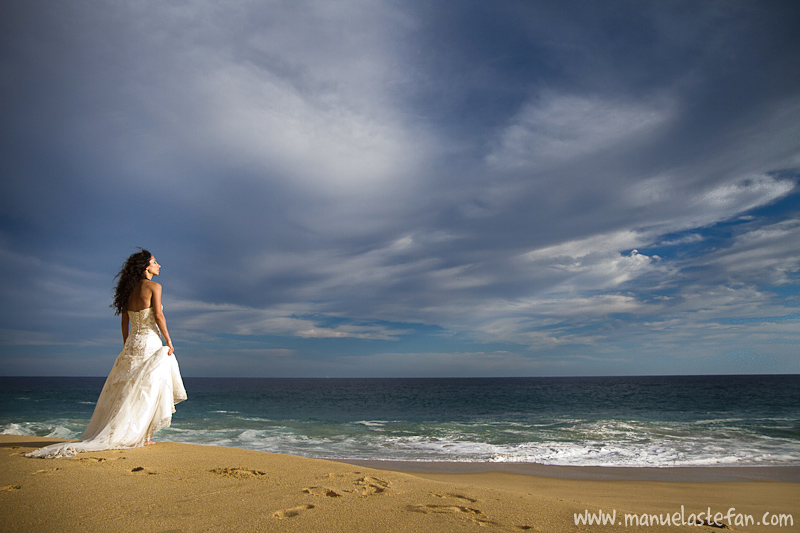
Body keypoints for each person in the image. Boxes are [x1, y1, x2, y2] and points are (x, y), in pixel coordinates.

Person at [27, 249, 187, 458]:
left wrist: (126, 344)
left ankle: (140, 433)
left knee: (129, 388)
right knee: (147, 387)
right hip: (150, 341)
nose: (159, 265)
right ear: (145, 266)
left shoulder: (128, 291)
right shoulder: (155, 287)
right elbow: (158, 315)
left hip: (133, 343)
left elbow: (124, 321)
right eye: (155, 262)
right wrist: (169, 340)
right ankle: (142, 435)